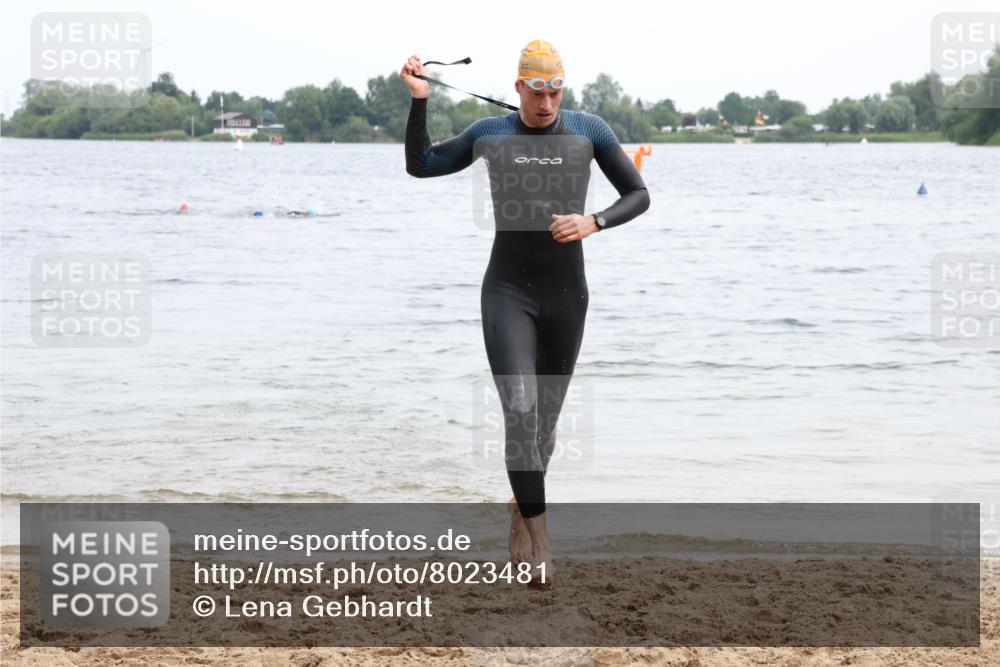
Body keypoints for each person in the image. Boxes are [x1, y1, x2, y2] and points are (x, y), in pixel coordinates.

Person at [401, 39, 649, 587]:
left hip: (566, 295)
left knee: (544, 432)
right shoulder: (491, 134)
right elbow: (421, 165)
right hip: (507, 291)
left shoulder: (590, 131)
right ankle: (540, 541)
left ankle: (519, 507)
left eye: (554, 90)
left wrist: (595, 222)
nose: (545, 102)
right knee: (519, 412)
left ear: (563, 87)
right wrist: (420, 100)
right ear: (519, 87)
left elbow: (638, 193)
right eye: (536, 91)